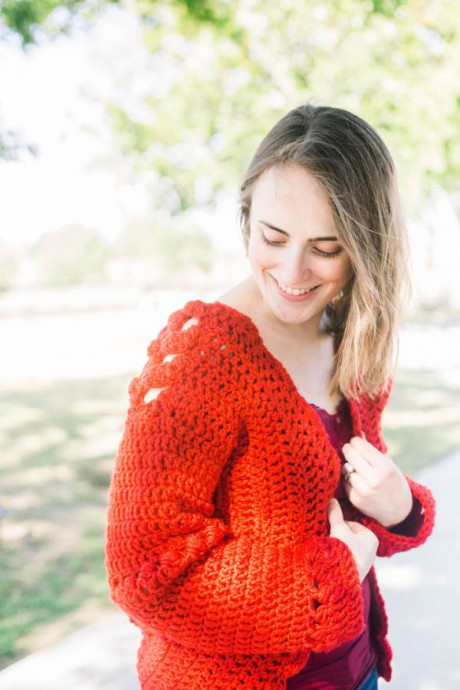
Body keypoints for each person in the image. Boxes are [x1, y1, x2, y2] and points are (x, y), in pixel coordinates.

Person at [106, 104, 435, 690]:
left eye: (326, 248)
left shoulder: (352, 342)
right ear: (245, 219)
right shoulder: (201, 360)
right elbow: (146, 572)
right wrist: (325, 584)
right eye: (273, 237)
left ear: (366, 246)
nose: (292, 270)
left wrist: (399, 507)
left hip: (357, 671)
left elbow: (352, 507)